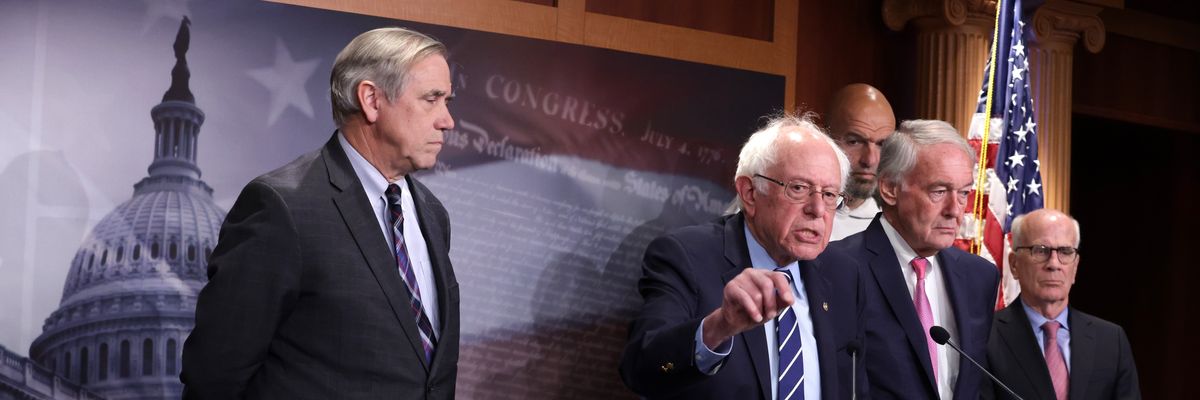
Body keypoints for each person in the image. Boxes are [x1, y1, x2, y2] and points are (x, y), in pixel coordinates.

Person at [180, 27, 459, 399]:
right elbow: (214, 376)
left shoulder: (432, 214)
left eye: (447, 100)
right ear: (372, 100)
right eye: (432, 99)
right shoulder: (282, 207)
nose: (447, 120)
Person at [619, 114, 867, 400]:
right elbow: (641, 370)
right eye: (799, 188)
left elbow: (855, 388)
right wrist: (719, 327)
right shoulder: (686, 256)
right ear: (749, 193)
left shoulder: (844, 275)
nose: (818, 210)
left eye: (828, 194)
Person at [828, 119, 1000, 400]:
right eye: (939, 191)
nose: (955, 211)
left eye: (964, 193)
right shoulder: (839, 267)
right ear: (890, 190)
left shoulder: (979, 276)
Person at [983, 209, 1140, 400]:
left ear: (1075, 267)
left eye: (1065, 252)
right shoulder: (985, 336)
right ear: (1014, 264)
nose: (1054, 264)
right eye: (1040, 250)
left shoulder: (1111, 340)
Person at [825, 83, 896, 241]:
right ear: (825, 138)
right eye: (854, 142)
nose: (870, 160)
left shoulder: (895, 231)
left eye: (882, 145)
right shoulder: (792, 216)